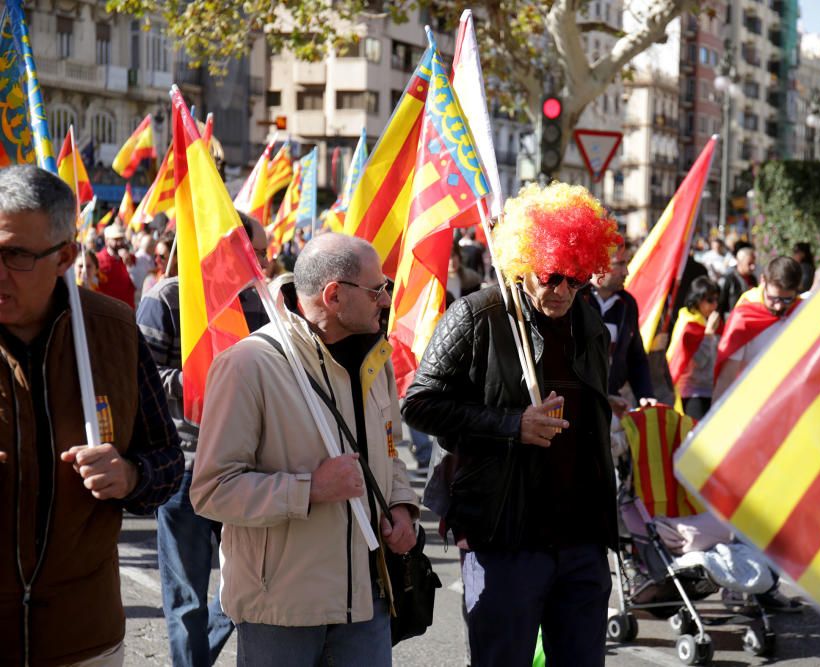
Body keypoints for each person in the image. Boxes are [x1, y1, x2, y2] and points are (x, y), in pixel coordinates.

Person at [402, 182, 621, 667]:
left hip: (582, 539)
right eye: (551, 276)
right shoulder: (476, 316)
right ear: (524, 262)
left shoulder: (588, 326)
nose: (563, 289)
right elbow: (419, 404)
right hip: (505, 536)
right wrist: (511, 425)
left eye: (577, 277)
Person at [190, 233, 418, 666]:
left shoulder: (375, 357)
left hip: (366, 599)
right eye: (377, 290)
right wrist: (310, 488)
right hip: (283, 608)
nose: (385, 300)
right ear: (334, 296)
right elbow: (211, 491)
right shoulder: (248, 365)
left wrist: (402, 505)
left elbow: (388, 452)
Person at [0, 165, 183, 665]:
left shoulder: (115, 332)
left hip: (83, 634)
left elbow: (168, 460)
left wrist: (130, 474)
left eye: (13, 254)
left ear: (65, 256)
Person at [137, 212, 270, 667]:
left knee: (253, 584)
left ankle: (197, 656)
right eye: (257, 253)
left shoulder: (263, 304)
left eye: (265, 255)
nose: (264, 263)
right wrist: (206, 380)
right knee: (187, 596)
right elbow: (141, 377)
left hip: (250, 467)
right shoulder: (167, 299)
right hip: (185, 469)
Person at [714, 256, 803, 399]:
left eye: (787, 299)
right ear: (763, 281)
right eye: (774, 298)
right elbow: (727, 377)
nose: (779, 305)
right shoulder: (745, 316)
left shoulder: (801, 310)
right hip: (751, 401)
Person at [579, 243, 656, 404]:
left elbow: (636, 356)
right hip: (579, 403)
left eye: (626, 264)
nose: (626, 272)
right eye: (620, 264)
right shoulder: (574, 299)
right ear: (598, 262)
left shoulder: (627, 303)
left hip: (614, 403)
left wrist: (645, 394)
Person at [666, 276, 721, 420]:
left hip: (708, 390)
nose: (715, 305)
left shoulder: (702, 321)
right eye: (710, 300)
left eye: (716, 300)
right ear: (697, 299)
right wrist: (709, 333)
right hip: (692, 392)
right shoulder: (690, 324)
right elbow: (700, 361)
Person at [96, 222, 136, 308]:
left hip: (128, 309)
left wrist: (129, 264)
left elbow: (138, 284)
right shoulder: (98, 259)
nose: (119, 243)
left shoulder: (131, 258)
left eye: (121, 239)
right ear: (106, 240)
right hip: (108, 309)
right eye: (115, 239)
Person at [718, 245, 757, 318]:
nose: (753, 267)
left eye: (754, 263)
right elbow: (720, 305)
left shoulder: (753, 279)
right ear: (739, 262)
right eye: (749, 263)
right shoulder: (729, 279)